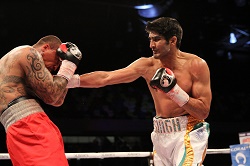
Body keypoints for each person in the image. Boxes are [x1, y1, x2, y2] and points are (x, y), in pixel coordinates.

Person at [68, 17, 212, 165]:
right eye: (150, 39)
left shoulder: (196, 65)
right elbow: (106, 77)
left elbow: (203, 112)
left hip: (189, 131)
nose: (151, 45)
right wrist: (67, 81)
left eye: (156, 39)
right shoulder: (147, 65)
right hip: (161, 134)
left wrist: (174, 91)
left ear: (173, 40)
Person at [0, 35, 82, 166]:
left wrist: (66, 70)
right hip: (29, 126)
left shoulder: (12, 65)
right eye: (57, 60)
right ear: (45, 47)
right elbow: (52, 96)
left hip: (22, 127)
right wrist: (69, 64)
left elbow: (56, 101)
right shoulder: (29, 53)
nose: (56, 67)